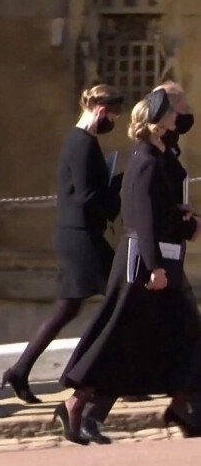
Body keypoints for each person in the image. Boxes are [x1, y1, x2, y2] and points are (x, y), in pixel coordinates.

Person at [56, 88, 201, 445]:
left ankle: (181, 403)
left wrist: (185, 221)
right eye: (169, 112)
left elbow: (162, 214)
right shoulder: (145, 161)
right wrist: (155, 267)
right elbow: (142, 220)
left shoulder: (159, 157)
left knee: (175, 338)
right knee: (119, 338)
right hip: (142, 265)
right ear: (155, 122)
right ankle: (79, 405)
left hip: (158, 262)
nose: (176, 117)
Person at [0, 84, 124, 408]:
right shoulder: (83, 144)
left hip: (75, 234)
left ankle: (19, 370)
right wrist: (119, 189)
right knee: (122, 295)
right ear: (100, 110)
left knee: (68, 308)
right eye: (113, 115)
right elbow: (88, 197)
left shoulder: (78, 140)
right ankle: (99, 378)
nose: (114, 122)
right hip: (82, 237)